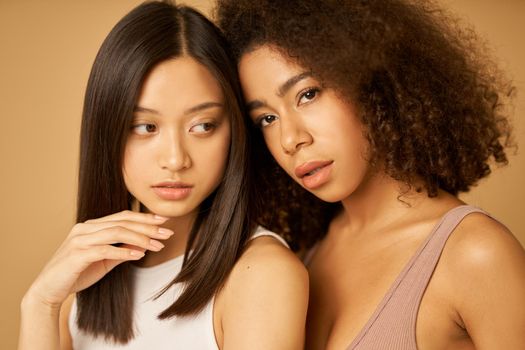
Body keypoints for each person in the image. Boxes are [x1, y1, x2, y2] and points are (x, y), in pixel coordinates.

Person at [216, 0, 525, 348]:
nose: (290, 139)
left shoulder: (476, 254)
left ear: (371, 84)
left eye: (308, 94)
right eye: (267, 119)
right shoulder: (301, 255)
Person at [18, 2, 308, 349]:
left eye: (203, 126)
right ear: (106, 131)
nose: (175, 159)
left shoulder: (260, 275)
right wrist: (39, 305)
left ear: (235, 132)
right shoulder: (79, 282)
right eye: (145, 126)